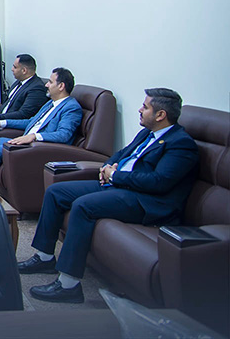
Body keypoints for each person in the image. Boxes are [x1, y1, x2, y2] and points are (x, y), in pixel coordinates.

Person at [17, 88, 198, 304]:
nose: (140, 110)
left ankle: (68, 285)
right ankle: (45, 257)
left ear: (161, 115)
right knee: (57, 192)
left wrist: (116, 176)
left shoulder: (181, 144)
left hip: (145, 200)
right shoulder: (147, 133)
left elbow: (159, 182)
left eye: (145, 107)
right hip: (120, 187)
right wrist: (107, 167)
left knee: (83, 206)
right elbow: (121, 154)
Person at [0, 67, 82, 191]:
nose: (46, 85)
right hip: (23, 141)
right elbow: (30, 122)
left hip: (36, 147)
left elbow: (63, 135)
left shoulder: (71, 107)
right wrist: (2, 123)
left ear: (61, 86)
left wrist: (34, 136)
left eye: (50, 82)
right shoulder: (50, 103)